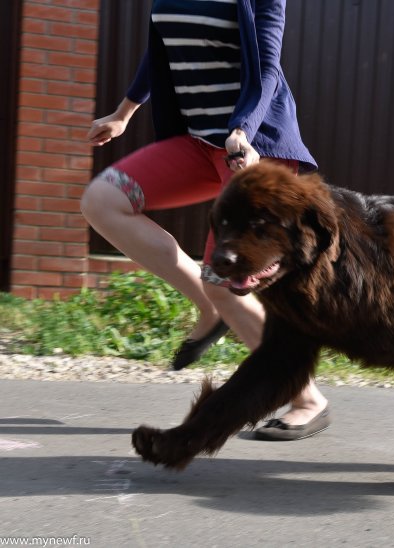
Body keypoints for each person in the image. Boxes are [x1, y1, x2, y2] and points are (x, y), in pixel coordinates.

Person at [81, 0, 330, 441]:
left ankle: (308, 398)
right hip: (197, 143)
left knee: (229, 282)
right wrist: (124, 113)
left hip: (252, 146)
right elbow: (161, 48)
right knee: (103, 200)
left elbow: (268, 68)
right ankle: (209, 303)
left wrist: (242, 129)